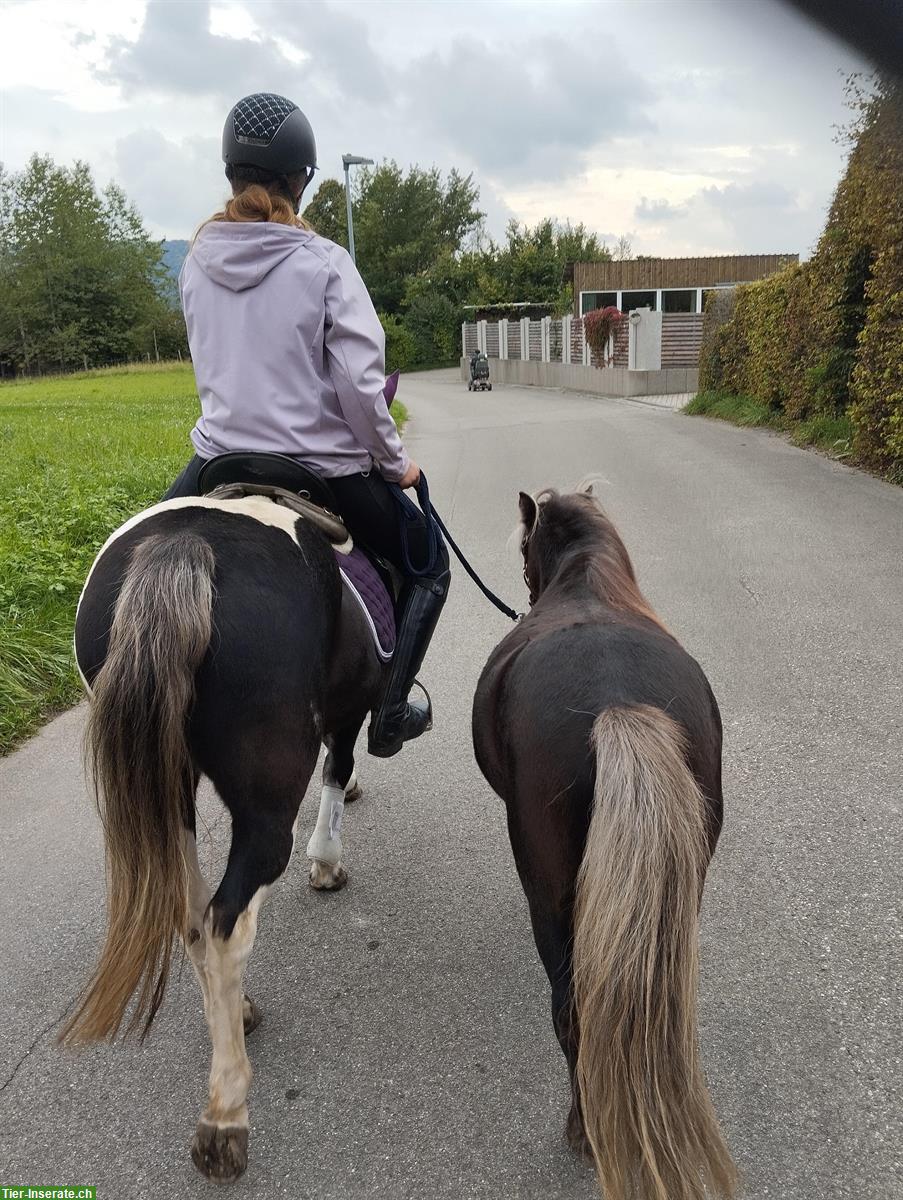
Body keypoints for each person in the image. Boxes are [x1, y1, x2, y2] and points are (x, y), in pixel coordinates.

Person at [165, 92, 450, 758]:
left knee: (134, 568)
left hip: (217, 461)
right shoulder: (324, 263)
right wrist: (396, 464)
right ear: (300, 180)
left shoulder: (195, 260)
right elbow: (358, 388)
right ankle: (388, 713)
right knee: (430, 563)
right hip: (318, 469)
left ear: (231, 173)